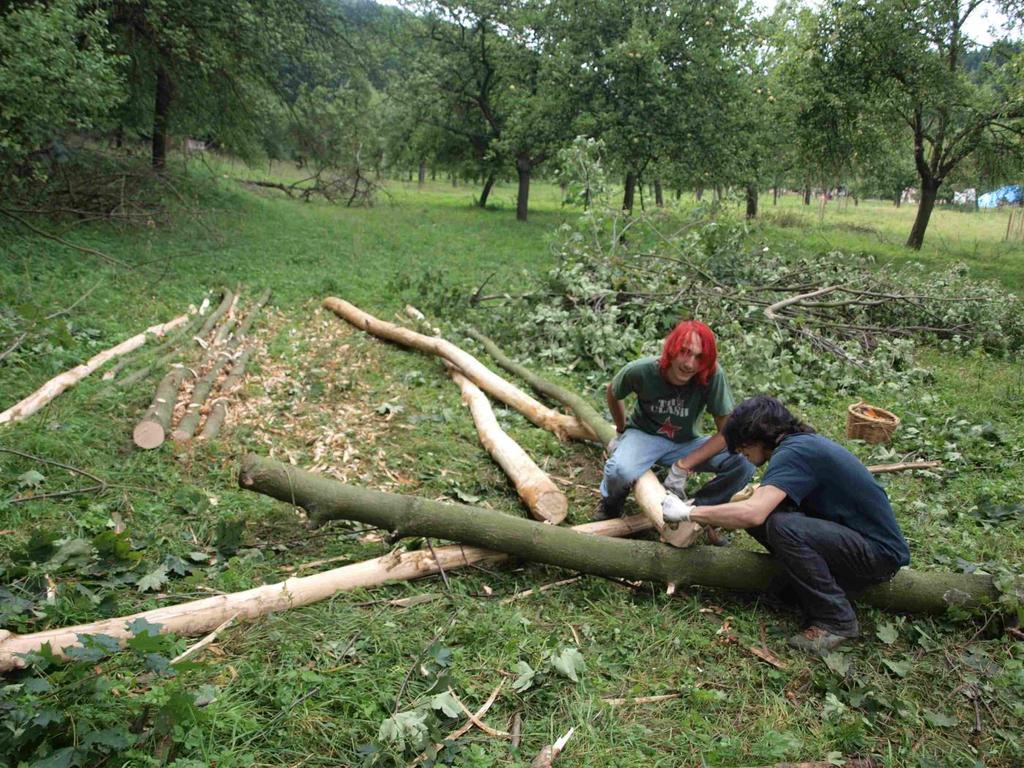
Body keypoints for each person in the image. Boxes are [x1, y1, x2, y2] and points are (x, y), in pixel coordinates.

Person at [662, 395, 911, 654]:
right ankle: (805, 585)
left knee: (782, 525)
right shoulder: (797, 446)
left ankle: (836, 619)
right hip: (855, 539)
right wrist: (711, 517)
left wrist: (689, 513)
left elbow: (753, 513)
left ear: (757, 436)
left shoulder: (795, 452)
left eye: (742, 446)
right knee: (772, 515)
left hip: (878, 554)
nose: (741, 453)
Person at [595, 320, 755, 529]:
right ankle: (612, 504)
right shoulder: (642, 370)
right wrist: (621, 429)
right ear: (671, 349)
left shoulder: (712, 375)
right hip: (644, 435)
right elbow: (613, 391)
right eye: (684, 352)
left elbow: (727, 431)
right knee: (619, 471)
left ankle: (698, 512)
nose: (689, 364)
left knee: (743, 461)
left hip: (686, 443)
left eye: (699, 357)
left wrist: (683, 465)